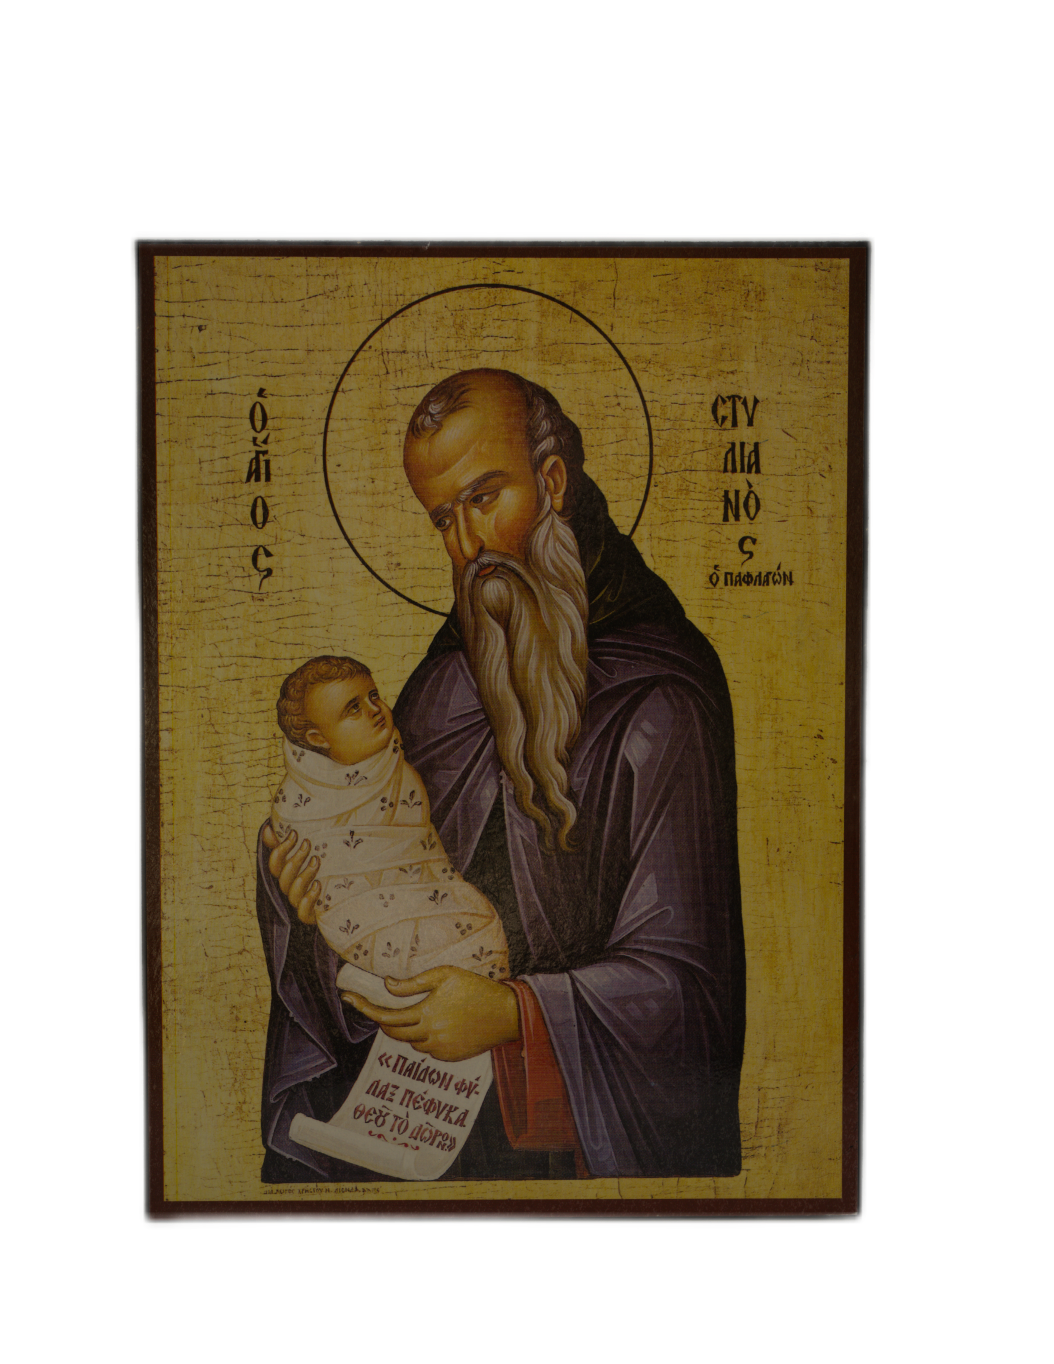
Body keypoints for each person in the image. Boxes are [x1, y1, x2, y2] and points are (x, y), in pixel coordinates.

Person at [259, 368, 745, 1182]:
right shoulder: (447, 681)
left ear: (552, 483)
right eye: (442, 519)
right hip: (412, 1108)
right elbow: (383, 862)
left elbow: (688, 992)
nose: (467, 546)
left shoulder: (660, 700)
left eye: (484, 498)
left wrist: (516, 1016)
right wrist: (306, 896)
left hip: (560, 1145)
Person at [270, 654, 509, 985]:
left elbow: (424, 856)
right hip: (363, 917)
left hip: (427, 892)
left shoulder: (398, 770)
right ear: (317, 739)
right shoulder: (302, 802)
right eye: (353, 709)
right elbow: (326, 878)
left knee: (480, 924)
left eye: (373, 696)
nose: (375, 709)